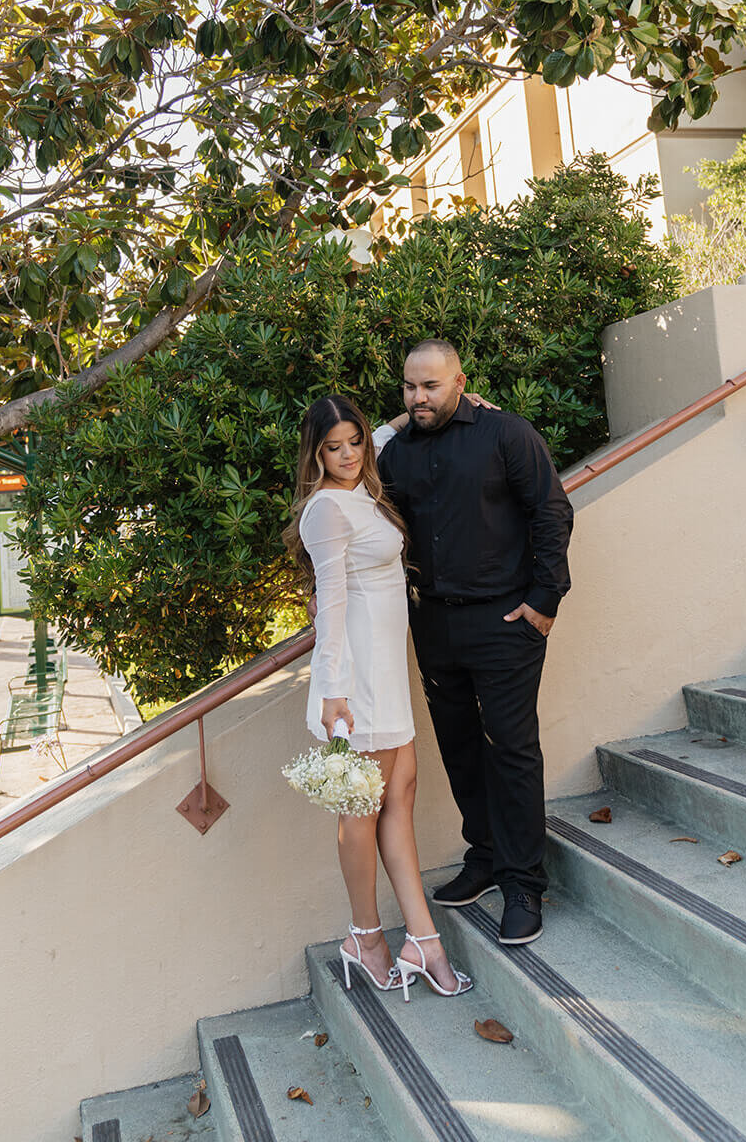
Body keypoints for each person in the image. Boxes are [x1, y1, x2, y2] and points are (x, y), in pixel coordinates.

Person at [374, 339, 574, 946]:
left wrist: (545, 600)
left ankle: (523, 882)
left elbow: (551, 511)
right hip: (434, 622)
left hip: (505, 621)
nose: (419, 397)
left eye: (431, 386)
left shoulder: (506, 434)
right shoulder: (397, 453)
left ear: (460, 382)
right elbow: (353, 481)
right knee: (459, 746)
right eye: (409, 387)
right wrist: (395, 423)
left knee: (511, 749)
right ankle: (484, 856)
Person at [284, 394, 472, 999]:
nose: (346, 455)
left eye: (354, 442)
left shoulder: (364, 486)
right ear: (315, 454)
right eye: (332, 448)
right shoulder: (327, 510)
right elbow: (331, 603)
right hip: (357, 677)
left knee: (401, 793)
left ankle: (421, 938)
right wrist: (333, 691)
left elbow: (384, 436)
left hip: (387, 672)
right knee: (362, 808)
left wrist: (422, 412)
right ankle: (366, 938)